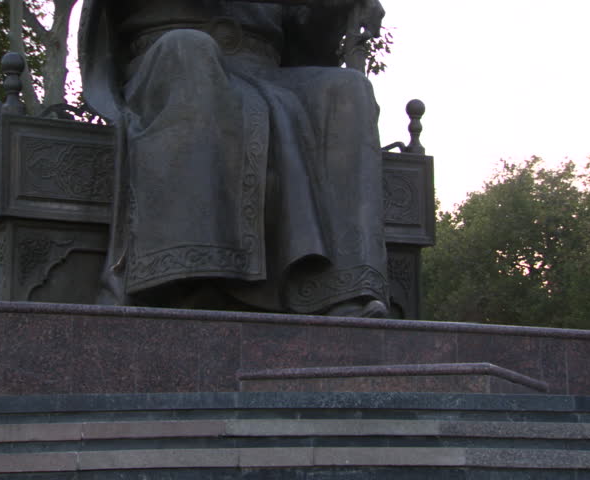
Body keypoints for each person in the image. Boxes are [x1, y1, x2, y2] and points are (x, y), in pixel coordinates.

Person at [79, 0, 389, 317]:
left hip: (267, 72)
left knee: (349, 89)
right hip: (170, 58)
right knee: (190, 51)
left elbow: (305, 35)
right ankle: (190, 279)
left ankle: (340, 292)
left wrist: (333, 9)